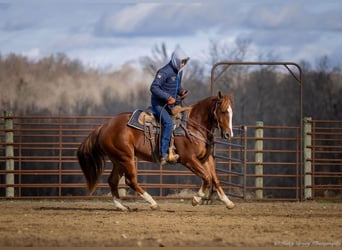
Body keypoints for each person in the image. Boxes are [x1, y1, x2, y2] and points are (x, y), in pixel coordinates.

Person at [150, 48, 190, 166]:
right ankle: (163, 154)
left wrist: (181, 91)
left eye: (185, 62)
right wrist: (167, 97)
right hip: (159, 104)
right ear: (175, 60)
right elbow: (154, 88)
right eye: (182, 62)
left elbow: (176, 87)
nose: (183, 65)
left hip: (171, 104)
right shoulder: (164, 72)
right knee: (168, 123)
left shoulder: (179, 72)